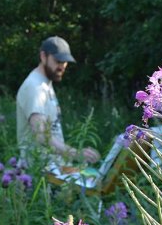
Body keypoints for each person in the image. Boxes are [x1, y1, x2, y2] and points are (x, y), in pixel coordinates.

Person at [16, 36, 100, 174]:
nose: (62, 66)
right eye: (58, 60)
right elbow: (41, 134)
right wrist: (76, 153)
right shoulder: (34, 87)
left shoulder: (45, 84)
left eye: (65, 62)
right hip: (37, 174)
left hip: (52, 171)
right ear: (43, 56)